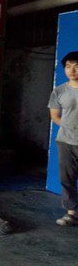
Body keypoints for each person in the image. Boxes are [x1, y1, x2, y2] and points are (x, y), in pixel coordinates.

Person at [48, 51, 78, 226]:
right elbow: (55, 116)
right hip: (66, 141)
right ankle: (71, 213)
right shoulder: (58, 91)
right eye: (68, 66)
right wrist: (69, 128)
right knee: (67, 178)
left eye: (76, 66)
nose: (72, 70)